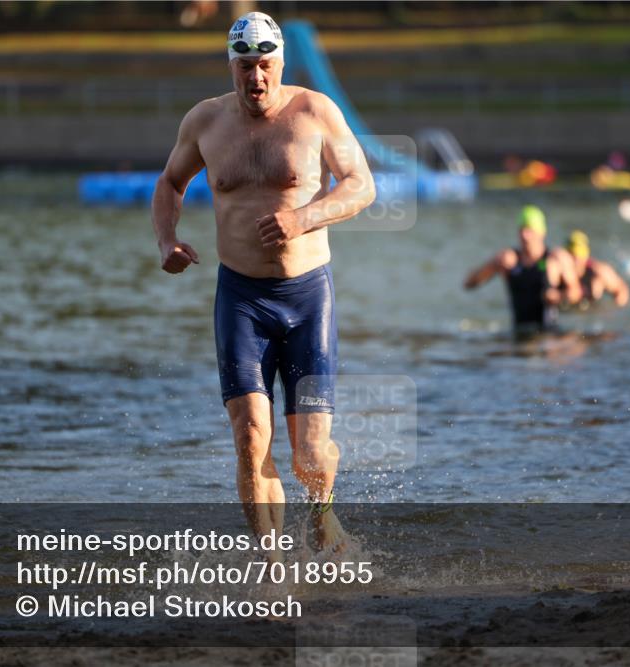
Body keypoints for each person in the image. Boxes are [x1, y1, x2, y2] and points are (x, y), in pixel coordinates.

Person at [151, 12, 376, 557]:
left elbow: (362, 185)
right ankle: (272, 562)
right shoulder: (205, 122)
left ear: (280, 64)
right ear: (232, 66)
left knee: (310, 450)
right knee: (252, 438)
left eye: (266, 65)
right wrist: (166, 240)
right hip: (241, 300)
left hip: (306, 299)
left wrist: (304, 218)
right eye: (245, 66)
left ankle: (324, 517)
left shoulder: (314, 112)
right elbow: (170, 182)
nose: (256, 77)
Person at [463, 205, 582, 335]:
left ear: (541, 233)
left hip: (549, 334)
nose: (525, 236)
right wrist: (495, 262)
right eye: (522, 230)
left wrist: (558, 296)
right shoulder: (510, 259)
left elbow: (576, 292)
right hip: (519, 331)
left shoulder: (556, 258)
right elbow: (469, 284)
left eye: (529, 230)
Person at [566, 230, 630, 307]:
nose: (576, 262)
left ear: (586, 256)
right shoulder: (561, 269)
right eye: (572, 257)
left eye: (578, 257)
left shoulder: (599, 271)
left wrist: (614, 309)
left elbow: (622, 290)